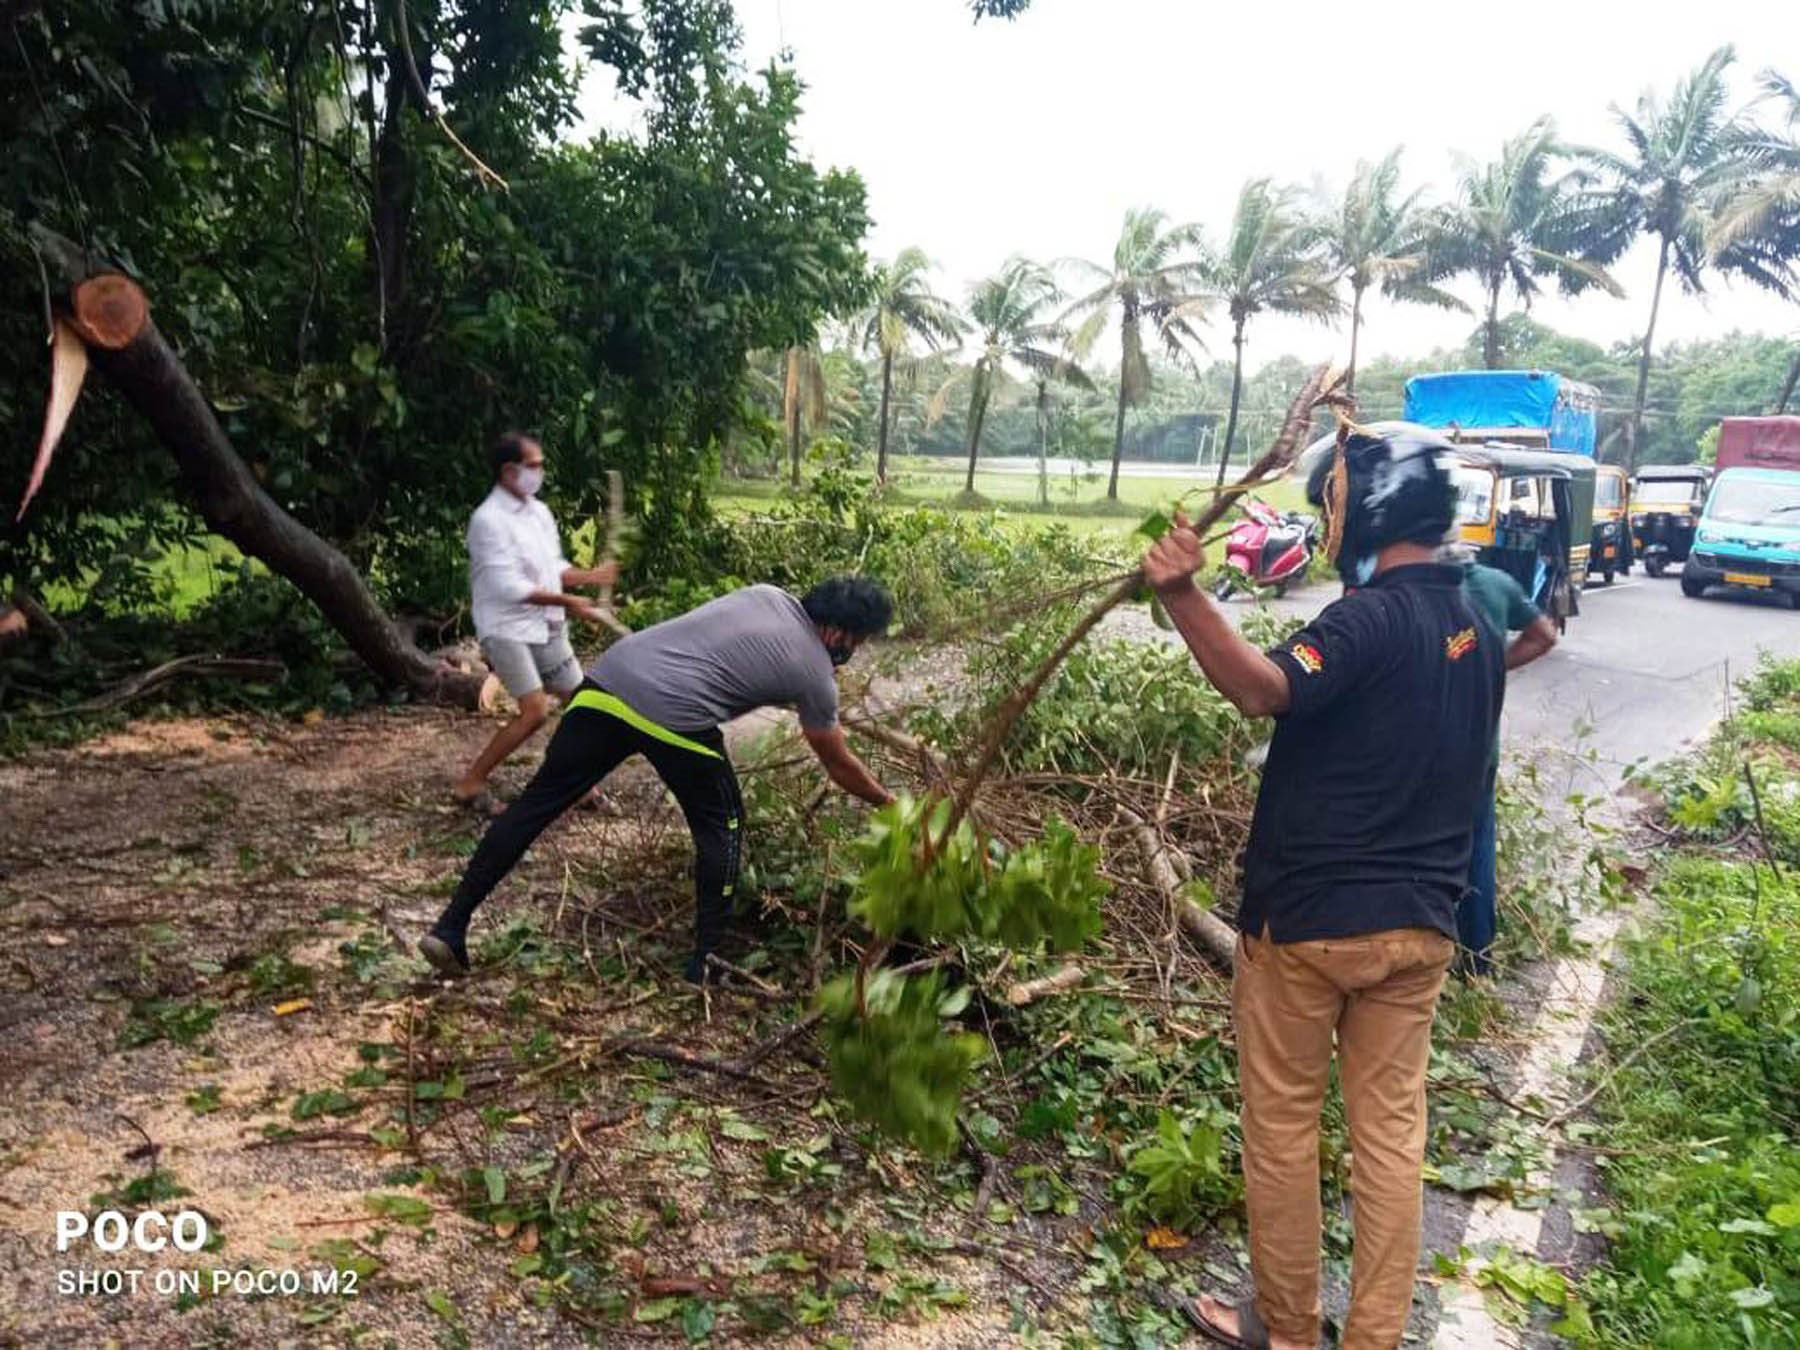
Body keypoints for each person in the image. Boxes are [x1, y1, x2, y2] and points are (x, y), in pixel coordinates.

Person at [1141, 423, 1503, 1350]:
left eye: (1331, 505)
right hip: (1421, 930)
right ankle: (1375, 1339)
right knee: (1391, 1142)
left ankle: (1292, 1333)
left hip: (1307, 927)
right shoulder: (1477, 626)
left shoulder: (1365, 618)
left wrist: (1181, 593)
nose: (1326, 524)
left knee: (1284, 1133)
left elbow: (1265, 690)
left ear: (1368, 506)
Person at [421, 577, 896, 984]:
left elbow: (733, 655)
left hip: (606, 684)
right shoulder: (816, 673)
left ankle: (450, 927)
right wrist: (888, 802)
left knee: (533, 808)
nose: (852, 653)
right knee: (724, 826)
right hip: (675, 716)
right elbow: (838, 764)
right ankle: (706, 964)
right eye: (856, 643)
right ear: (837, 631)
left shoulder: (766, 594)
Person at [454, 432, 619, 815]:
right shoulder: (487, 521)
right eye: (534, 465)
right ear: (509, 472)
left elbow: (553, 569)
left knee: (584, 704)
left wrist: (592, 577)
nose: (540, 472)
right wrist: (568, 601)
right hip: (506, 628)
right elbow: (508, 586)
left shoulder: (538, 512)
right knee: (534, 711)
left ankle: (580, 786)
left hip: (546, 624)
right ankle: (470, 783)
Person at [1457, 558, 1558, 976]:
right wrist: (1495, 664)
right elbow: (1545, 635)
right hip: (1479, 749)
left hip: (1419, 754)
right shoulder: (1496, 585)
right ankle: (1477, 961)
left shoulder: (1404, 587)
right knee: (1477, 847)